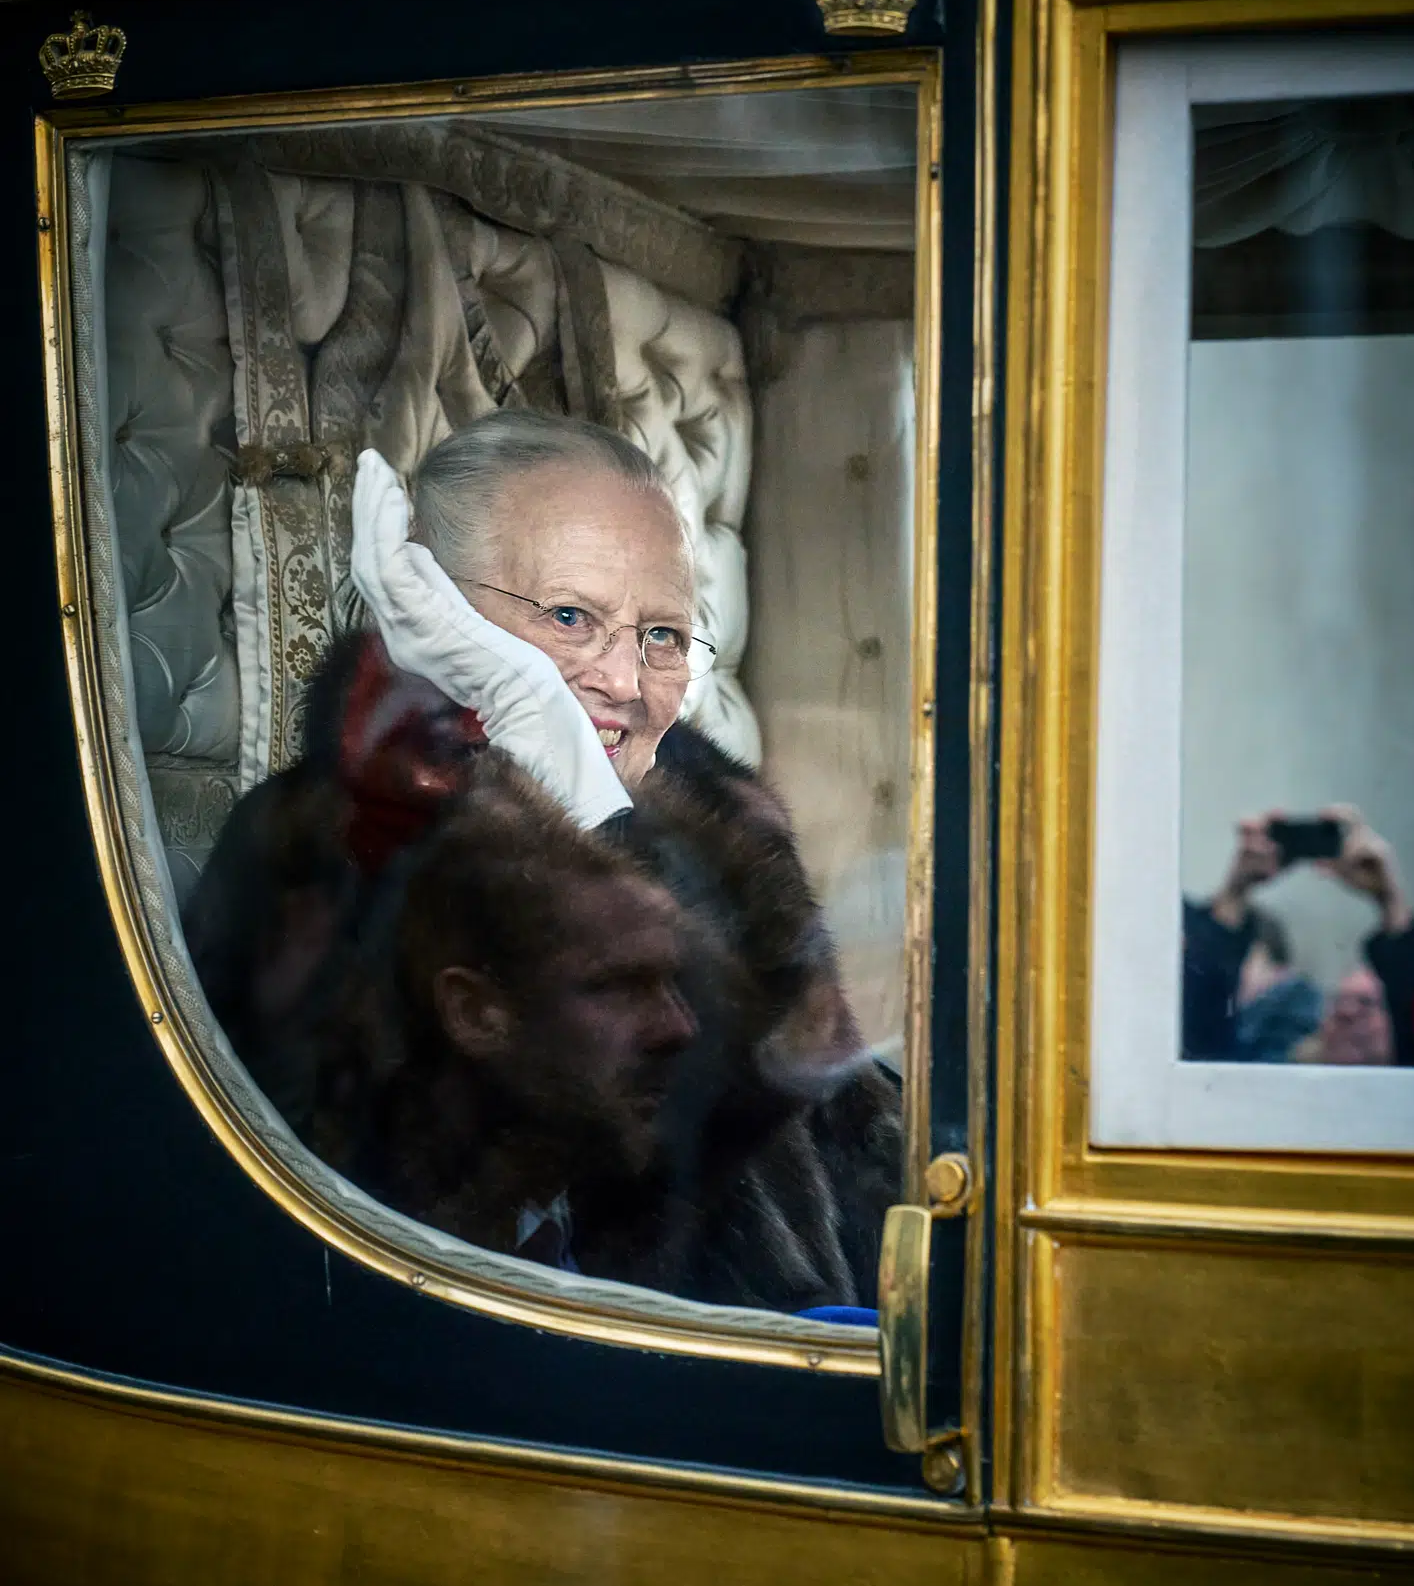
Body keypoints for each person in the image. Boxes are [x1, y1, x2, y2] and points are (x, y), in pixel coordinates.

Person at [185, 409, 901, 1310]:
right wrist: (550, 777)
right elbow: (402, 1242)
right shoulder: (325, 852)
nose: (627, 683)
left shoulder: (714, 809)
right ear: (433, 612)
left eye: (663, 635)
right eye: (571, 617)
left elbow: (824, 1098)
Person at [1181, 806, 1414, 1067]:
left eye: (1367, 1004)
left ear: (1400, 1013)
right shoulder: (1273, 1074)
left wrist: (1391, 901)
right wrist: (1235, 891)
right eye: (1339, 1001)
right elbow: (1199, 1033)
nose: (1347, 1013)